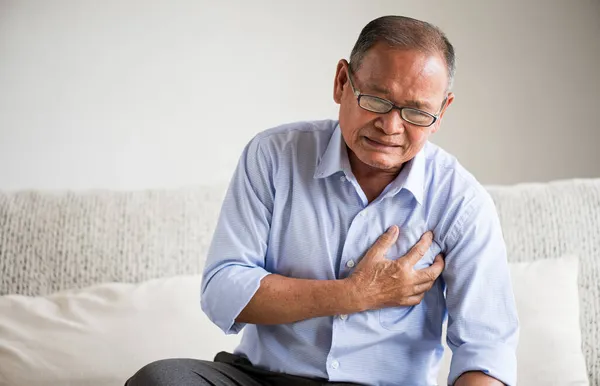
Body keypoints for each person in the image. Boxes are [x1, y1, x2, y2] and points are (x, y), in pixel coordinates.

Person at [126, 15, 518, 386]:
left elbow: (486, 348)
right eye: (377, 100)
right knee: (161, 380)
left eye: (416, 112)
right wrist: (354, 294)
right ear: (342, 82)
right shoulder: (274, 155)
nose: (391, 126)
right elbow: (223, 289)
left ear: (442, 111)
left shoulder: (461, 201)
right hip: (262, 378)